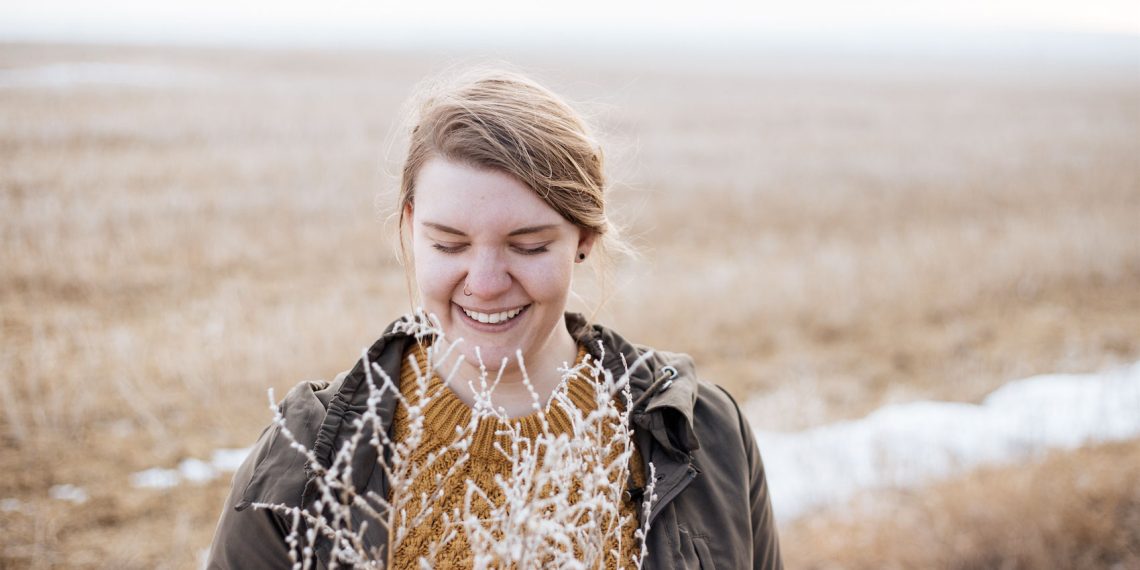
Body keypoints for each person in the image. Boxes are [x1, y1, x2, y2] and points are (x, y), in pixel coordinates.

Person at [206, 68, 782, 569]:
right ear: (410, 228)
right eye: (450, 245)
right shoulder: (303, 463)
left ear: (582, 238)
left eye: (528, 246)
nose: (484, 283)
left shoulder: (706, 436)